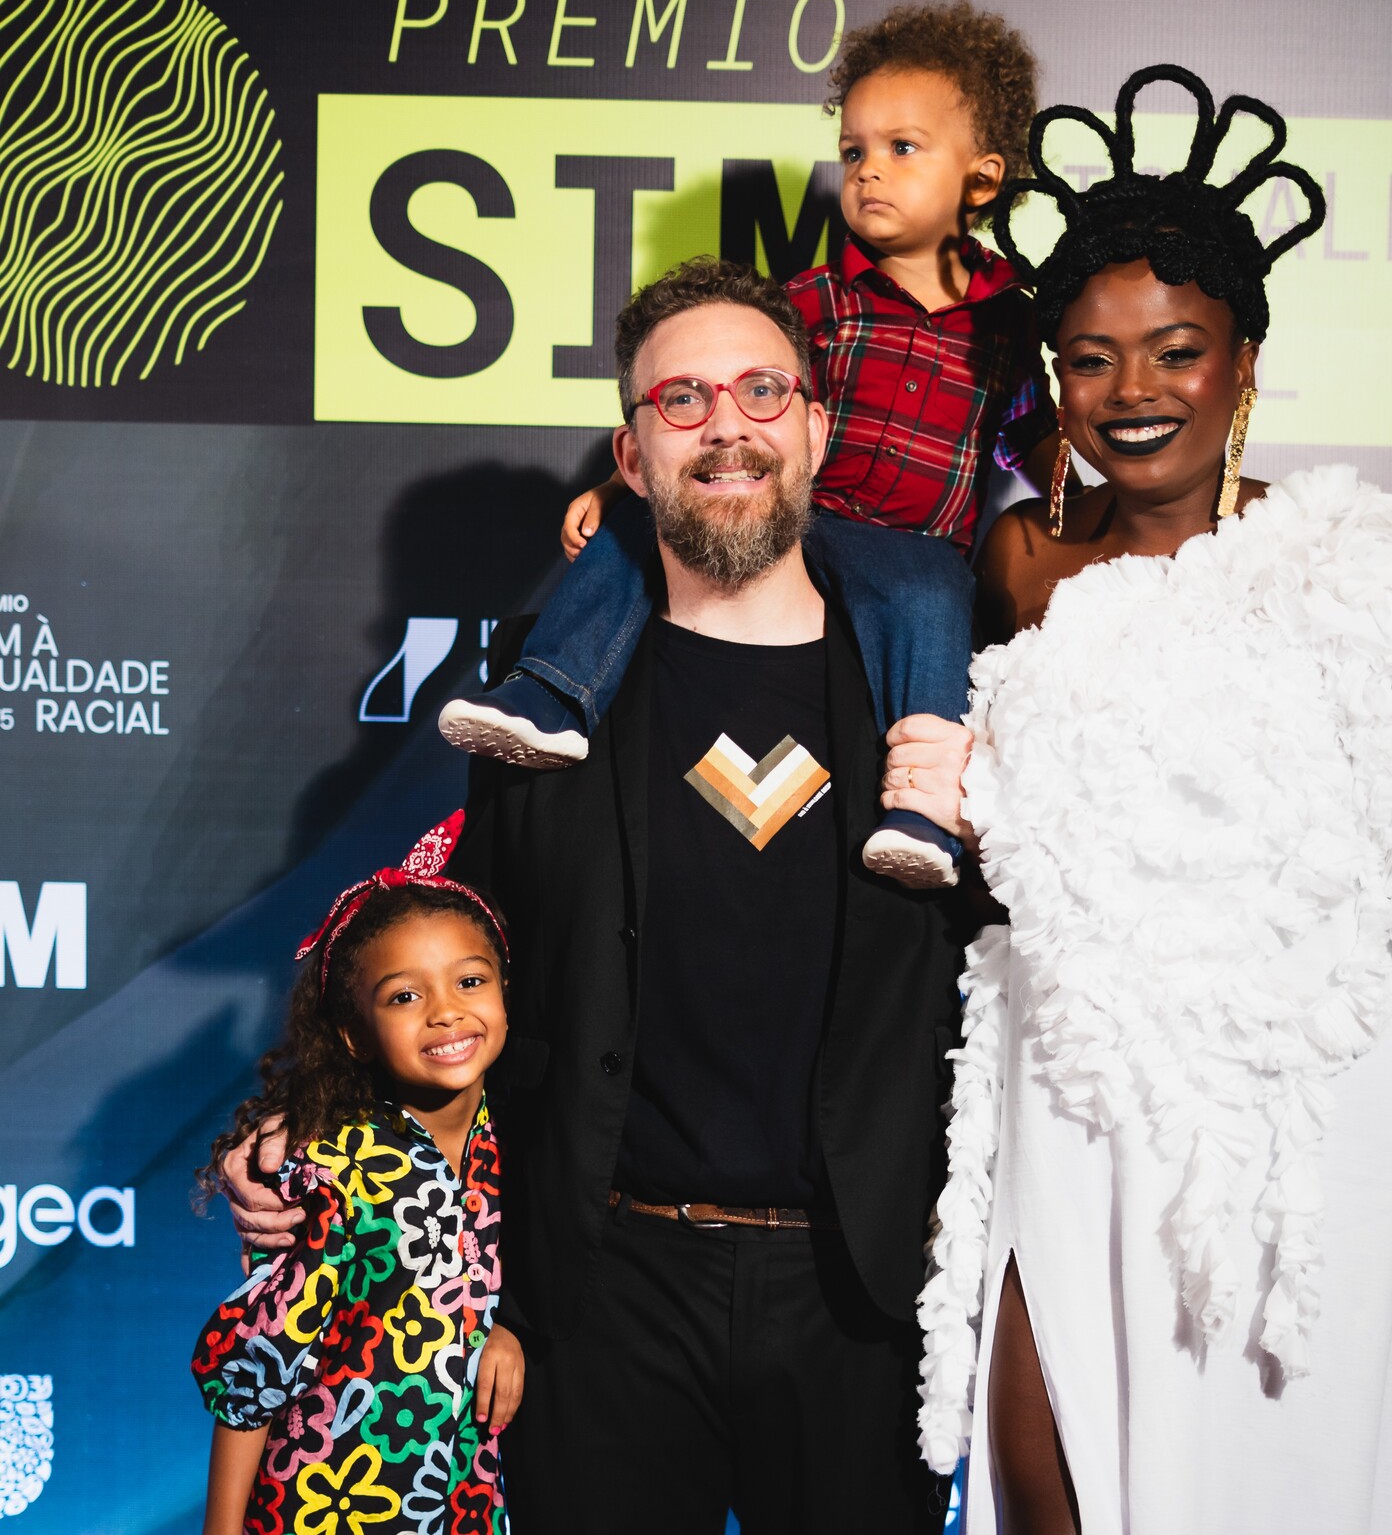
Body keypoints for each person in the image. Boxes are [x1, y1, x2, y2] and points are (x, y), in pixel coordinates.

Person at [893, 66, 1392, 1534]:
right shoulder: (1017, 562)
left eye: (1176, 351)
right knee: (1048, 1476)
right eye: (1090, 360)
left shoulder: (1352, 559)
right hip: (1072, 1100)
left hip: (1303, 1139)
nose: (1133, 392)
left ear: (1243, 360)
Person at [223, 259, 969, 1533]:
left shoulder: (934, 696)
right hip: (599, 1293)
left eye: (760, 391)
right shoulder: (543, 701)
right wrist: (310, 1123)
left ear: (814, 428)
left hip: (863, 1299)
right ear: (631, 455)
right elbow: (457, 962)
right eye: (682, 399)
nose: (725, 425)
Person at [435, 0, 1062, 890]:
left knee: (935, 595)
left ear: (983, 179)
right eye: (854, 152)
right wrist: (613, 492)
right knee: (647, 529)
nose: (869, 173)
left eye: (901, 149)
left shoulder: (1008, 324)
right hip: (790, 522)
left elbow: (1031, 437)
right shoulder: (815, 300)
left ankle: (920, 810)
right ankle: (551, 694)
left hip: (911, 549)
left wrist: (1094, 494)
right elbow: (719, 418)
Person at [193, 815, 524, 1535]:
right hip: (326, 1505)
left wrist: (508, 1330)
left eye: (470, 980)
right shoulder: (333, 1166)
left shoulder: (527, 1146)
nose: (446, 1012)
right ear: (354, 1033)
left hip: (465, 1509)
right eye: (404, 996)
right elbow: (257, 1369)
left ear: (505, 990)